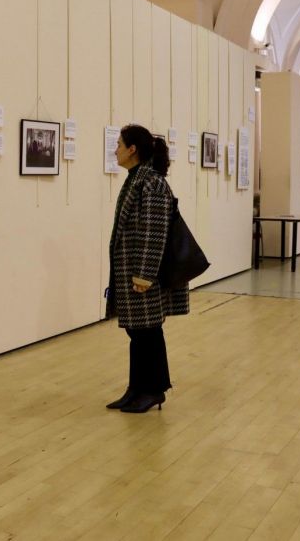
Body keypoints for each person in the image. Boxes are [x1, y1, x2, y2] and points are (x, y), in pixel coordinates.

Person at [105, 124, 190, 413]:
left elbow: (154, 233)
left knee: (148, 332)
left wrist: (144, 274)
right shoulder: (136, 179)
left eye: (118, 144)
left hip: (144, 274)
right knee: (137, 331)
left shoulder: (151, 183)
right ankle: (137, 387)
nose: (114, 149)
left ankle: (154, 390)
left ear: (132, 150)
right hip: (132, 270)